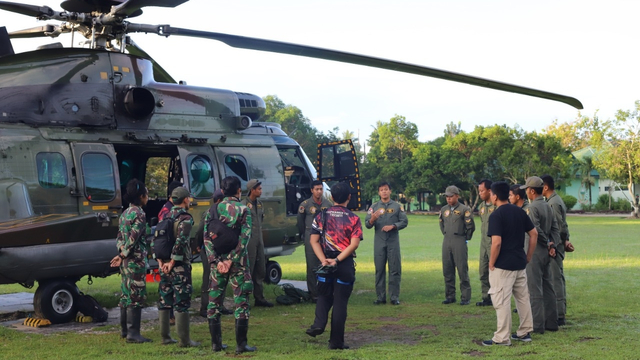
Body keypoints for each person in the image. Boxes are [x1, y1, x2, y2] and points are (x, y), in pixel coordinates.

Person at [305, 182, 363, 350]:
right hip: (344, 264)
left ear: (331, 197)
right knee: (340, 301)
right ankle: (336, 342)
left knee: (323, 295)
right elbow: (354, 244)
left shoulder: (321, 216)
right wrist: (337, 260)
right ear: (349, 197)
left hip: (325, 263)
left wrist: (324, 260)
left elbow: (313, 241)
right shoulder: (353, 218)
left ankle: (318, 323)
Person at [482, 181, 538, 346]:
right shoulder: (519, 212)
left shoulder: (496, 215)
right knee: (522, 298)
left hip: (503, 266)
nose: (491, 196)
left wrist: (491, 263)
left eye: (491, 194)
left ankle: (502, 338)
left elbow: (496, 243)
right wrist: (528, 256)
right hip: (519, 262)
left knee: (501, 300)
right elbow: (534, 234)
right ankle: (524, 332)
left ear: (496, 196)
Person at [204, 176, 256, 354]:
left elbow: (206, 239)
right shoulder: (244, 210)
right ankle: (241, 345)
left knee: (214, 303)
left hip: (217, 266)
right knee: (241, 303)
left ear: (222, 191)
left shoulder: (212, 210)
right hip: (238, 264)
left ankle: (216, 344)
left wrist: (217, 261)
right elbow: (245, 238)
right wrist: (231, 259)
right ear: (239, 191)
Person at [153, 187, 200, 347]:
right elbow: (181, 241)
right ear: (185, 199)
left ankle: (165, 337)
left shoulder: (164, 215)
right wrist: (172, 262)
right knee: (182, 301)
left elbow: (157, 239)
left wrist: (161, 262)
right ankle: (184, 340)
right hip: (178, 266)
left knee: (164, 300)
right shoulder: (185, 218)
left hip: (163, 264)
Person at [109, 179, 152, 343]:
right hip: (136, 261)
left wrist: (121, 252)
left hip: (126, 262)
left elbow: (120, 237)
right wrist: (123, 254)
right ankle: (134, 334)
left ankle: (124, 331)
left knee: (126, 293)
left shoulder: (125, 213)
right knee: (136, 295)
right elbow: (134, 238)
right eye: (146, 195)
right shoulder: (140, 214)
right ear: (141, 196)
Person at [521, 176, 560, 334]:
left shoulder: (531, 208)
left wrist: (548, 243)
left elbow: (535, 230)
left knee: (534, 288)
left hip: (535, 250)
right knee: (548, 286)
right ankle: (552, 322)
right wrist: (553, 244)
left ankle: (537, 325)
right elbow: (555, 228)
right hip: (546, 251)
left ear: (531, 191)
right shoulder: (547, 205)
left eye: (526, 190)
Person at [365, 181, 408, 305]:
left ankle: (394, 297)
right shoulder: (374, 207)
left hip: (393, 241)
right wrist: (372, 219)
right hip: (379, 241)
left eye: (386, 189)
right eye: (381, 190)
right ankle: (380, 297)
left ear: (390, 191)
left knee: (394, 269)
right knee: (379, 269)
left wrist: (393, 226)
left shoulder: (397, 206)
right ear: (379, 192)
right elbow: (367, 224)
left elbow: (404, 221)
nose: (384, 191)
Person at [541, 174, 572, 326]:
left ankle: (559, 314)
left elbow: (559, 227)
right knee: (557, 276)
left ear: (545, 187)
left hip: (555, 244)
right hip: (559, 242)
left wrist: (554, 244)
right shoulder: (554, 200)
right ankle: (560, 311)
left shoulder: (552, 203)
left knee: (555, 278)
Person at [195, 189, 231, 317]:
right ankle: (205, 306)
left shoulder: (217, 212)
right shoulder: (210, 213)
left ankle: (219, 305)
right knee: (208, 278)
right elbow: (200, 231)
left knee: (221, 276)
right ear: (220, 201)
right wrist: (199, 245)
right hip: (209, 249)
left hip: (218, 248)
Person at [439, 185, 475, 305]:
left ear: (457, 196)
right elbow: (441, 224)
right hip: (447, 240)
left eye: (451, 196)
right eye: (447, 197)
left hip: (459, 239)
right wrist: (446, 233)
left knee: (462, 269)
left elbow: (470, 227)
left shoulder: (464, 209)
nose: (448, 199)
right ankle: (450, 296)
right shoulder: (444, 209)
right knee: (447, 269)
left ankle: (465, 297)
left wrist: (465, 238)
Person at [297, 180, 333, 301]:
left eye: (321, 189)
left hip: (325, 237)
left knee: (325, 263)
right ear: (312, 190)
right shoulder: (305, 205)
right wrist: (306, 235)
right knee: (312, 265)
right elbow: (300, 223)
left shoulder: (328, 204)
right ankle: (313, 294)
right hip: (310, 236)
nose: (319, 191)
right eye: (316, 189)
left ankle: (325, 291)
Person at [242, 179, 273, 307]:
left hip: (259, 239)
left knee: (261, 269)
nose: (261, 191)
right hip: (248, 240)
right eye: (259, 189)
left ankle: (259, 298)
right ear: (252, 190)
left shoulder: (259, 204)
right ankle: (244, 299)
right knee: (248, 269)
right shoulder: (243, 204)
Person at [476, 179, 495, 307]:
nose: (480, 194)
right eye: (479, 191)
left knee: (495, 272)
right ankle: (486, 298)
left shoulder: (497, 206)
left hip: (494, 243)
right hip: (483, 244)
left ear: (489, 191)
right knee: (483, 272)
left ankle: (496, 298)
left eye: (482, 191)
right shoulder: (481, 207)